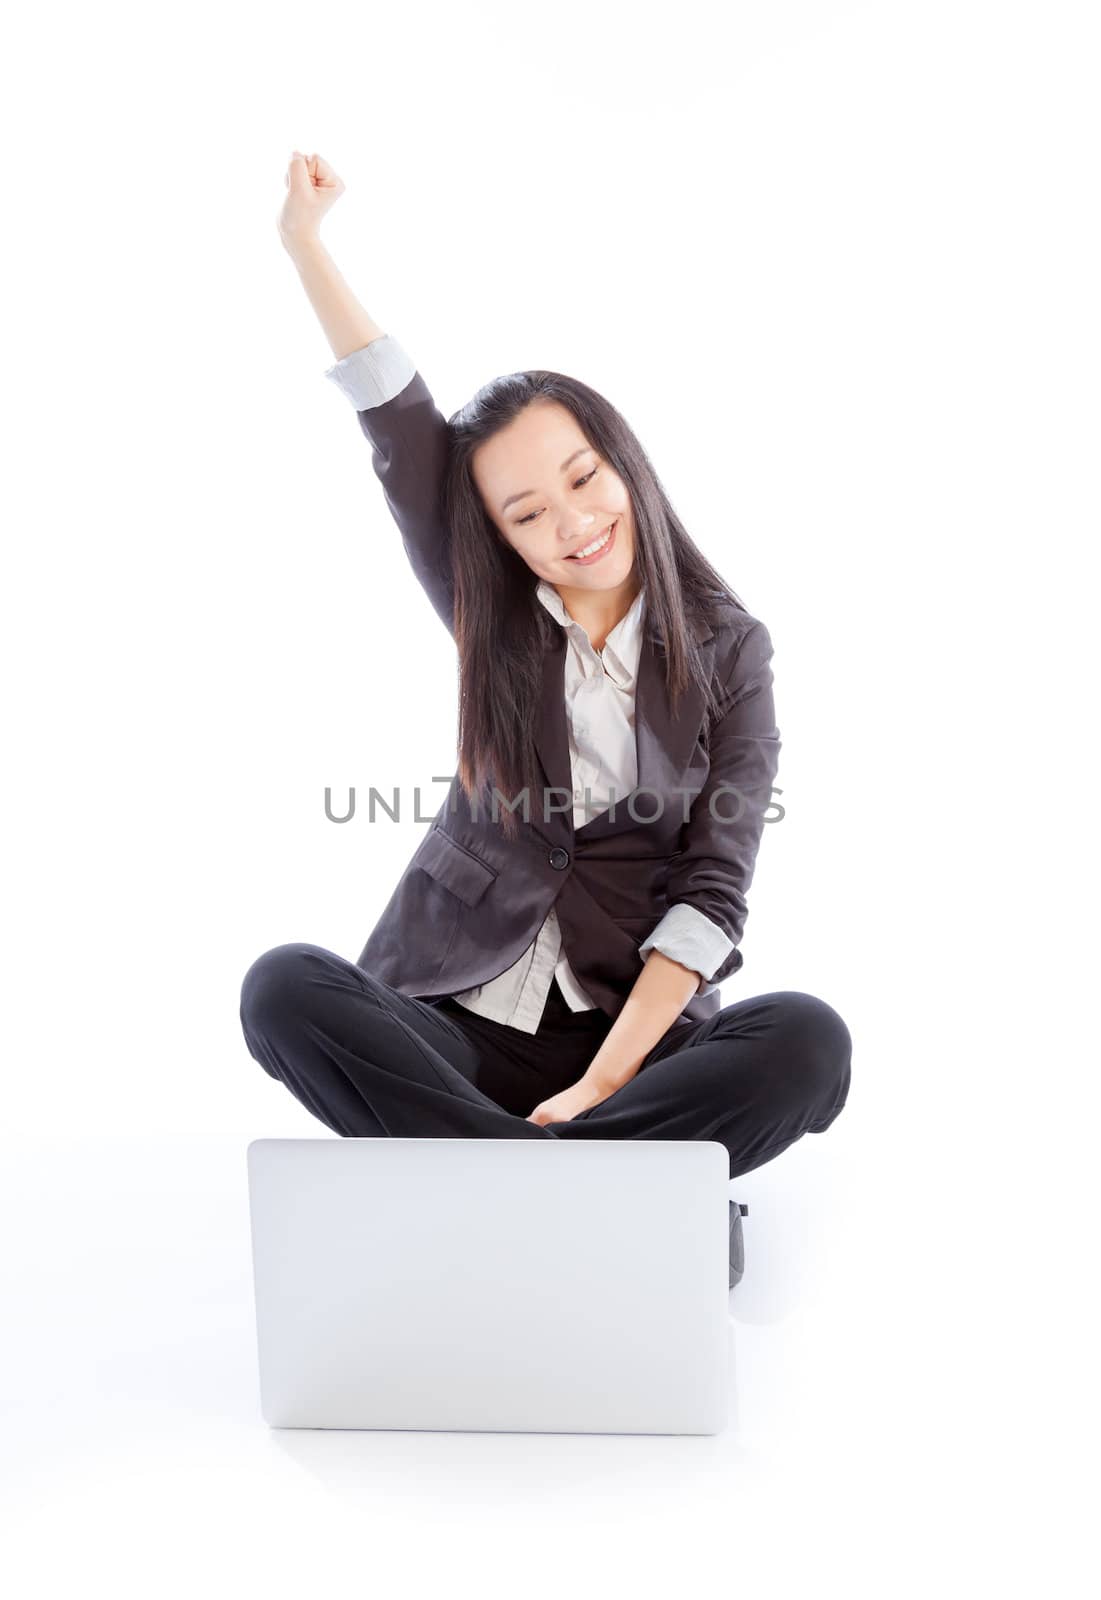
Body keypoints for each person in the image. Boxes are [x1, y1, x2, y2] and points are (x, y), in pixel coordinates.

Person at [239, 152, 852, 1283]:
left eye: (583, 477)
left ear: (623, 461)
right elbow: (398, 418)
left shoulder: (731, 650)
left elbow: (713, 891)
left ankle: (491, 1184)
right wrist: (307, 247)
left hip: (629, 1041)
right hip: (452, 1025)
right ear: (497, 537)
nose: (571, 523)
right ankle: (618, 1201)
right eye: (527, 510)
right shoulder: (491, 616)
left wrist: (604, 1086)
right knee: (282, 986)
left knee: (810, 1041)